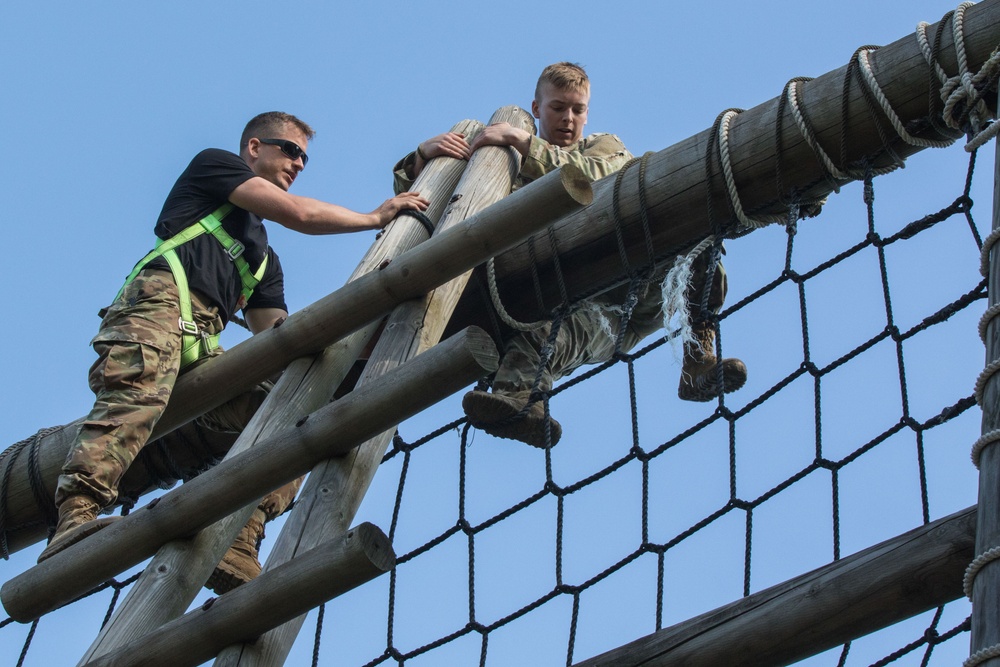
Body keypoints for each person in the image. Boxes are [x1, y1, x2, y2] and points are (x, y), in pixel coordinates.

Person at [38, 112, 430, 595]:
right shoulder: (214, 168)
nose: (298, 163)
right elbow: (300, 215)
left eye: (304, 157)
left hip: (203, 347)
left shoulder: (264, 260)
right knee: (136, 397)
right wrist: (375, 217)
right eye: (289, 150)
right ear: (253, 148)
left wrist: (363, 332)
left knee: (294, 402)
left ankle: (240, 535)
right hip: (159, 307)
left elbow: (278, 341)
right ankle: (75, 516)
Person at [394, 63, 746, 448]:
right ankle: (520, 404)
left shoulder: (602, 145)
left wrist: (525, 143)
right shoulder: (502, 170)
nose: (568, 118)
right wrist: (418, 161)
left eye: (577, 109)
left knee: (698, 243)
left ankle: (698, 356)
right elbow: (430, 207)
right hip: (564, 303)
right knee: (546, 335)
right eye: (558, 107)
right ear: (537, 108)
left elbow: (598, 175)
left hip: (626, 295)